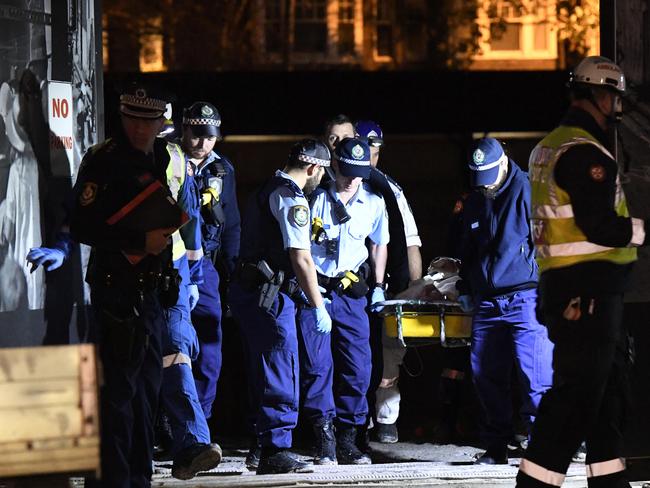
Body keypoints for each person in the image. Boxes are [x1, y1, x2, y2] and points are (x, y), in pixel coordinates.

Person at [516, 56, 649, 488]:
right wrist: (642, 230)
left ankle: (611, 483)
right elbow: (600, 226)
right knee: (576, 397)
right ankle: (537, 484)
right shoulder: (584, 152)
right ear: (595, 94)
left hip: (575, 290)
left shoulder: (550, 146)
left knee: (606, 396)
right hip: (585, 292)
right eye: (612, 97)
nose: (616, 107)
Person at [68, 82, 178, 487]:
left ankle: (138, 478)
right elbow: (81, 224)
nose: (140, 129)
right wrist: (138, 242)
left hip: (150, 290)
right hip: (115, 289)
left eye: (149, 121)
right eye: (133, 120)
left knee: (147, 394)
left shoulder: (161, 155)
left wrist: (169, 274)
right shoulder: (102, 161)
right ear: (122, 118)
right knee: (117, 396)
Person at [230, 138, 331, 475]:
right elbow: (300, 257)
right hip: (270, 295)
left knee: (262, 370)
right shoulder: (291, 196)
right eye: (322, 172)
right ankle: (275, 449)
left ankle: (261, 449)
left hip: (251, 290)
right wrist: (318, 306)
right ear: (314, 168)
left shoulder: (265, 188)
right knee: (280, 366)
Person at [456, 137, 553, 465]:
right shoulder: (476, 198)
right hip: (487, 302)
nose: (485, 186)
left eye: (489, 177)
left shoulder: (527, 190)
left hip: (525, 297)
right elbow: (467, 248)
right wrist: (465, 286)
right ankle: (496, 446)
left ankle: (542, 446)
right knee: (485, 375)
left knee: (534, 374)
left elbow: (547, 241)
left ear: (504, 162)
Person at [298, 137, 389, 465]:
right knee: (317, 365)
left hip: (352, 294)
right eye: (346, 170)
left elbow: (379, 244)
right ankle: (324, 437)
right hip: (317, 290)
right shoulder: (313, 199)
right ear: (334, 165)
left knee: (357, 366)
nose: (351, 178)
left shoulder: (374, 202)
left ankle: (350, 436)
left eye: (358, 172)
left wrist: (378, 285)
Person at [355, 120, 422, 445]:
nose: (370, 156)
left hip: (387, 288)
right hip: (349, 286)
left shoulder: (389, 189)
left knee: (390, 358)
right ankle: (354, 422)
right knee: (354, 359)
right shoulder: (331, 183)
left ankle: (385, 421)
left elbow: (410, 241)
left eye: (374, 150)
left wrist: (414, 288)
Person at [180, 102, 241, 423]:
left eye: (211, 137)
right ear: (184, 130)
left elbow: (231, 224)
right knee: (172, 345)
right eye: (198, 135)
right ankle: (167, 421)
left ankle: (199, 424)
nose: (204, 143)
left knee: (209, 348)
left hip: (207, 269)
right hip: (171, 263)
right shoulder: (167, 161)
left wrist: (231, 272)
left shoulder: (222, 169)